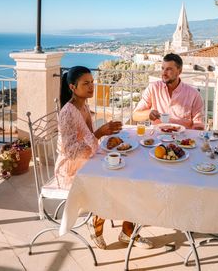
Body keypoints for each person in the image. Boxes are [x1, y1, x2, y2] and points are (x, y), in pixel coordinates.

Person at [55, 66, 153, 250]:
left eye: (92, 82)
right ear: (72, 87)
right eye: (86, 84)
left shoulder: (82, 105)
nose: (92, 87)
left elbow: (86, 138)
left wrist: (103, 135)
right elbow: (71, 152)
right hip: (70, 168)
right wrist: (99, 134)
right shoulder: (68, 112)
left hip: (87, 159)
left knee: (128, 173)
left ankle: (127, 229)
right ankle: (98, 225)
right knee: (115, 181)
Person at [133, 53, 204, 130]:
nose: (164, 73)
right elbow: (135, 115)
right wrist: (149, 113)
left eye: (169, 69)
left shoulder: (193, 94)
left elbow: (198, 124)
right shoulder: (153, 88)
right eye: (163, 68)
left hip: (182, 139)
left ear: (179, 71)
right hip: (157, 138)